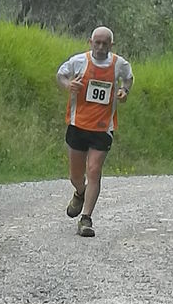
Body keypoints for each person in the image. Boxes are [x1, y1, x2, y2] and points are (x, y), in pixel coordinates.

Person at [56, 26, 134, 237]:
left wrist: (124, 91)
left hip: (102, 127)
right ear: (90, 42)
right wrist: (68, 85)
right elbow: (60, 75)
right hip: (78, 124)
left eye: (105, 43)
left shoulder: (120, 64)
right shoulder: (79, 61)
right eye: (97, 43)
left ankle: (86, 219)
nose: (100, 47)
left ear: (111, 45)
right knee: (76, 176)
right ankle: (79, 192)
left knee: (94, 170)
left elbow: (128, 78)